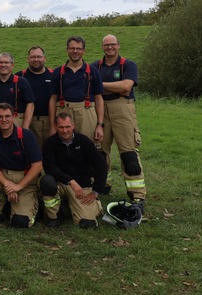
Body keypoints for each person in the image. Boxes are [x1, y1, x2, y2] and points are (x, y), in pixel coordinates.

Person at [91, 34, 146, 209]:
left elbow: (126, 87)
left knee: (128, 154)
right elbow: (93, 89)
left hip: (123, 109)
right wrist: (114, 86)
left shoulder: (128, 65)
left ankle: (137, 196)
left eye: (112, 44)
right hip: (99, 109)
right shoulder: (94, 66)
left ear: (118, 46)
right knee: (99, 152)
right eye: (106, 45)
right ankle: (102, 186)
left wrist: (100, 85)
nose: (109, 47)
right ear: (102, 47)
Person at [0, 103, 42, 228]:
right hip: (2, 178)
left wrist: (18, 186)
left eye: (7, 116)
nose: (4, 120)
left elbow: (37, 166)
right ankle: (1, 210)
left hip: (25, 181)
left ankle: (33, 205)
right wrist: (7, 184)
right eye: (0, 117)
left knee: (20, 223)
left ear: (14, 117)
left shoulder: (26, 136)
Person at [40, 112, 108, 229]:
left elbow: (101, 165)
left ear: (73, 126)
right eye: (61, 127)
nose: (64, 130)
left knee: (87, 224)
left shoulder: (84, 141)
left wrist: (96, 191)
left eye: (67, 127)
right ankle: (54, 216)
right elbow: (50, 168)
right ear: (56, 127)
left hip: (81, 186)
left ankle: (92, 205)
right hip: (60, 183)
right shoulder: (49, 143)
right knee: (46, 182)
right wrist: (70, 181)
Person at [48, 36, 105, 145]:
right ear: (67, 50)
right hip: (64, 110)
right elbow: (53, 99)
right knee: (62, 146)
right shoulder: (58, 72)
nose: (75, 51)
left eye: (78, 48)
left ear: (83, 51)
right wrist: (52, 126)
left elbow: (99, 99)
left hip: (87, 112)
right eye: (72, 48)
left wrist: (99, 125)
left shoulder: (92, 71)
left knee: (88, 146)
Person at [16, 46, 54, 147]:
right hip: (27, 121)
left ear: (44, 58)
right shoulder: (20, 77)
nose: (36, 59)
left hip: (49, 120)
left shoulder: (53, 75)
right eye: (33, 57)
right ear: (28, 59)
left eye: (39, 57)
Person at [0, 53, 35, 129]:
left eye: (6, 62)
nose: (3, 65)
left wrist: (25, 127)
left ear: (12, 65)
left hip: (17, 121)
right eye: (1, 62)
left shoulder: (22, 82)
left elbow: (30, 104)